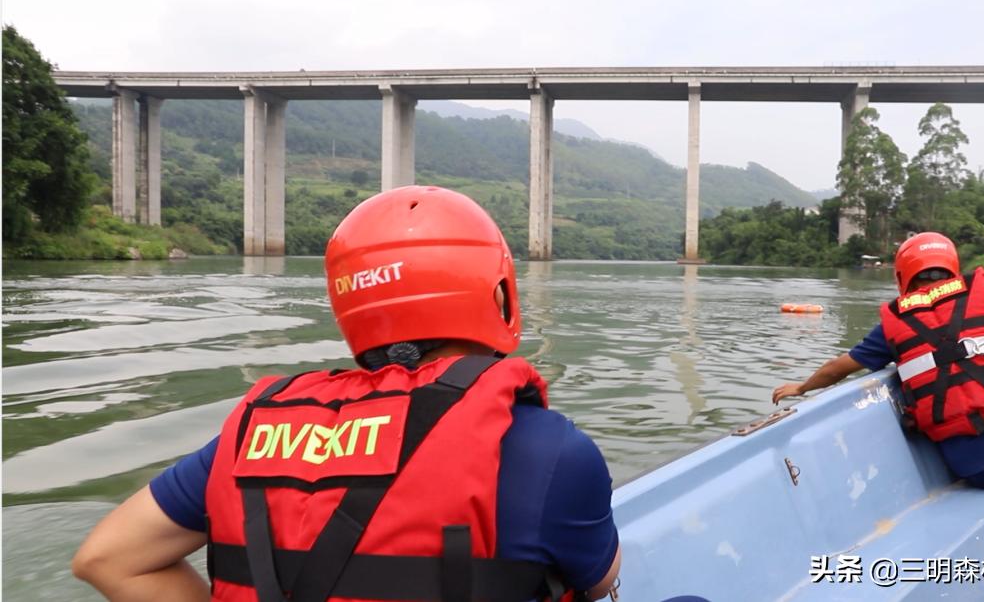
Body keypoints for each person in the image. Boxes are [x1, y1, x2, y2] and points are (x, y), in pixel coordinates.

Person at [73, 186, 621, 601]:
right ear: (495, 292)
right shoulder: (552, 451)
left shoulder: (254, 437)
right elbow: (599, 581)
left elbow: (107, 558)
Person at [772, 232, 984, 490]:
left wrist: (801, 387)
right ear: (953, 267)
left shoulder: (893, 324)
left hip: (975, 468)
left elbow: (837, 367)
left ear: (902, 276)